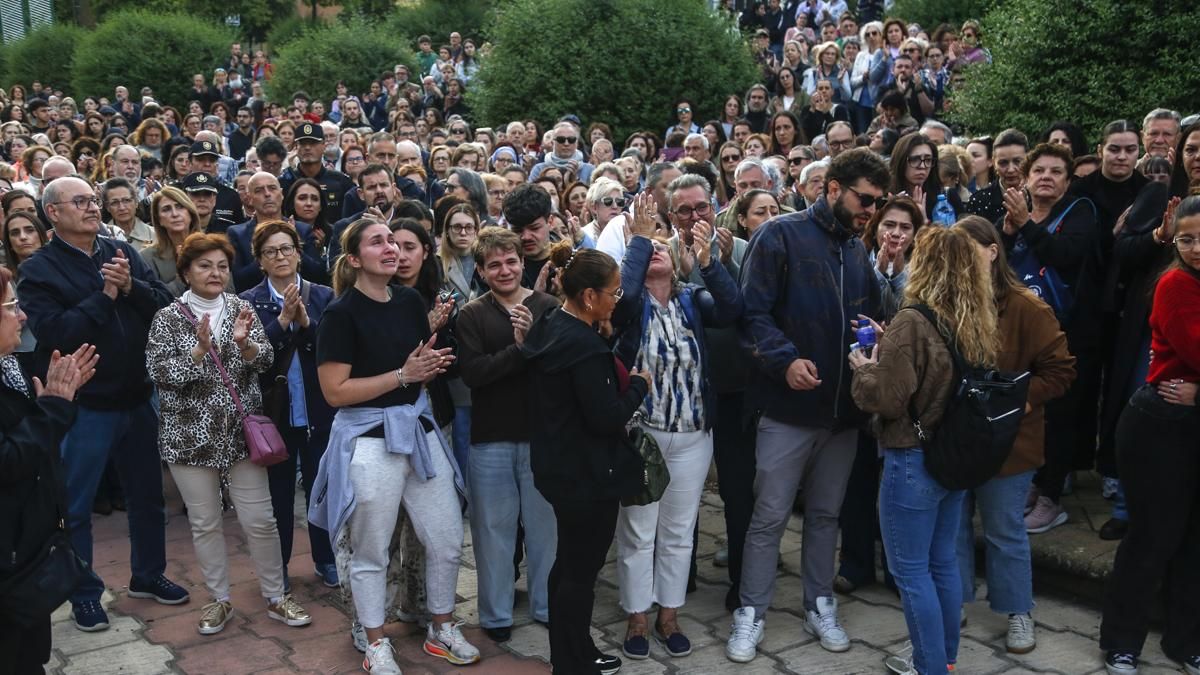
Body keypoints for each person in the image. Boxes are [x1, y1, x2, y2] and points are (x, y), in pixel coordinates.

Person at [727, 148, 886, 663]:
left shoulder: (857, 250)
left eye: (877, 203)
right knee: (769, 515)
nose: (871, 211)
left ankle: (820, 604)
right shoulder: (779, 235)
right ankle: (751, 611)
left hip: (843, 415)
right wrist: (785, 361)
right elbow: (751, 315)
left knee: (825, 515)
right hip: (786, 409)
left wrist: (878, 335)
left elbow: (870, 317)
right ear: (833, 189)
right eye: (865, 199)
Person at [308, 218, 479, 672]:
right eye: (377, 243)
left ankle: (441, 628)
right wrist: (404, 375)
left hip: (418, 431)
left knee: (446, 538)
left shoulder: (407, 301)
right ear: (353, 259)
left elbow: (411, 362)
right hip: (368, 441)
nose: (391, 249)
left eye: (393, 242)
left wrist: (426, 360)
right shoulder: (340, 315)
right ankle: (375, 642)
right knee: (372, 550)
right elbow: (335, 392)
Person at [20, 176, 188, 633]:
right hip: (86, 405)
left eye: (93, 200)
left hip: (137, 396)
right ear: (53, 213)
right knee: (75, 507)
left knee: (148, 497)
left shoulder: (121, 251)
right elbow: (56, 332)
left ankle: (148, 575)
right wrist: (105, 296)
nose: (93, 207)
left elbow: (164, 306)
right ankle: (85, 593)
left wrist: (130, 286)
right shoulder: (39, 270)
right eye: (80, 202)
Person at [849, 225, 998, 675]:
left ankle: (930, 667)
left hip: (913, 457)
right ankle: (944, 660)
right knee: (942, 563)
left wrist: (864, 368)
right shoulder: (975, 318)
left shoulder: (913, 320)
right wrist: (893, 344)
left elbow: (887, 399)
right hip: (953, 455)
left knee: (911, 573)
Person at [145, 232, 311, 635]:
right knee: (205, 522)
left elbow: (265, 359)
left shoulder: (241, 307)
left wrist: (245, 345)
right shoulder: (168, 317)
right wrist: (199, 352)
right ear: (186, 272)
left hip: (241, 434)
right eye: (205, 266)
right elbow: (160, 373)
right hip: (189, 436)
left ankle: (276, 596)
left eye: (222, 266)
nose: (215, 273)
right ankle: (218, 600)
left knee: (261, 519)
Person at [610, 193, 743, 660]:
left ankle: (669, 614)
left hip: (692, 435)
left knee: (679, 531)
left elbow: (732, 308)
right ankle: (637, 616)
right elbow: (624, 299)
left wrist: (708, 263)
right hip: (643, 435)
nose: (654, 251)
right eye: (645, 248)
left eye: (660, 245)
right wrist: (639, 240)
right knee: (638, 531)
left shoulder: (691, 299)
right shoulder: (629, 306)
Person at [522, 240, 649, 675]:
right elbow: (606, 417)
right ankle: (572, 662)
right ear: (589, 295)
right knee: (580, 571)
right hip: (588, 476)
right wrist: (639, 385)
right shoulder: (585, 348)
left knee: (568, 565)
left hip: (557, 467)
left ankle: (573, 650)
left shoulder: (550, 324)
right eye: (614, 292)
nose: (618, 299)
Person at [955, 216, 1076, 657]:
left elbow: (1061, 370)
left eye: (969, 252)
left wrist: (1021, 402)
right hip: (957, 437)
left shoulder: (1027, 307)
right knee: (952, 526)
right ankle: (954, 599)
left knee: (1004, 529)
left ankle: (1018, 609)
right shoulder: (945, 302)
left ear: (993, 251)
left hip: (1009, 441)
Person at [1100, 195, 1200, 675]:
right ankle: (1122, 643)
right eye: (1186, 239)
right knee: (1151, 538)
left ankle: (1186, 642)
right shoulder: (1174, 283)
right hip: (1160, 427)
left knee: (1195, 541)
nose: (1195, 248)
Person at [455, 226, 560, 643]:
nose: (504, 270)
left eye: (511, 261)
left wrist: (532, 344)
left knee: (545, 530)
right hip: (491, 438)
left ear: (522, 263)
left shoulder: (548, 306)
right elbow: (474, 373)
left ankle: (546, 606)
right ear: (481, 271)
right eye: (494, 264)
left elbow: (559, 367)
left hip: (541, 436)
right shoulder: (472, 314)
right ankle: (496, 614)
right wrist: (521, 349)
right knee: (492, 531)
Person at [0, 275, 97, 671]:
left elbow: (34, 439)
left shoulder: (9, 365)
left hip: (25, 550)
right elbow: (8, 460)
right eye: (10, 308)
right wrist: (52, 407)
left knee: (31, 655)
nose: (22, 316)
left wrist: (54, 405)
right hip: (9, 561)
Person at [1002, 144, 1100, 534]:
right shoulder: (1016, 214)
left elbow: (1066, 256)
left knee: (1059, 414)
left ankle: (1051, 497)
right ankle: (1033, 481)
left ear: (1068, 180)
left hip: (1065, 332)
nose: (1046, 177)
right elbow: (997, 262)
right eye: (1039, 170)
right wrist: (1007, 233)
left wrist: (1025, 224)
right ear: (1026, 178)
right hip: (1019, 330)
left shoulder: (1080, 212)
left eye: (1056, 171)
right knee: (1027, 409)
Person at [240, 220, 339, 590]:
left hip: (319, 409)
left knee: (321, 489)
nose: (280, 257)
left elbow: (334, 349)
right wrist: (282, 322)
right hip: (274, 413)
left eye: (286, 249)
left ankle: (326, 559)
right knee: (277, 496)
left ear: (298, 253)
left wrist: (307, 323)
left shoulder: (323, 295)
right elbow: (251, 358)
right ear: (260, 261)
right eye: (270, 252)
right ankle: (277, 566)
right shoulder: (248, 301)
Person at [141, 187, 205, 296]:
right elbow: (153, 299)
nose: (175, 214)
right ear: (159, 220)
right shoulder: (147, 257)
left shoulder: (213, 247)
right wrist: (184, 274)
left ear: (190, 212)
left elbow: (229, 290)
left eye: (180, 207)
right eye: (166, 209)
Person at [100, 177, 154, 247]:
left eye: (126, 200)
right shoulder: (101, 239)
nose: (121, 208)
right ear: (108, 207)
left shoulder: (155, 235)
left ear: (136, 202)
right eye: (115, 203)